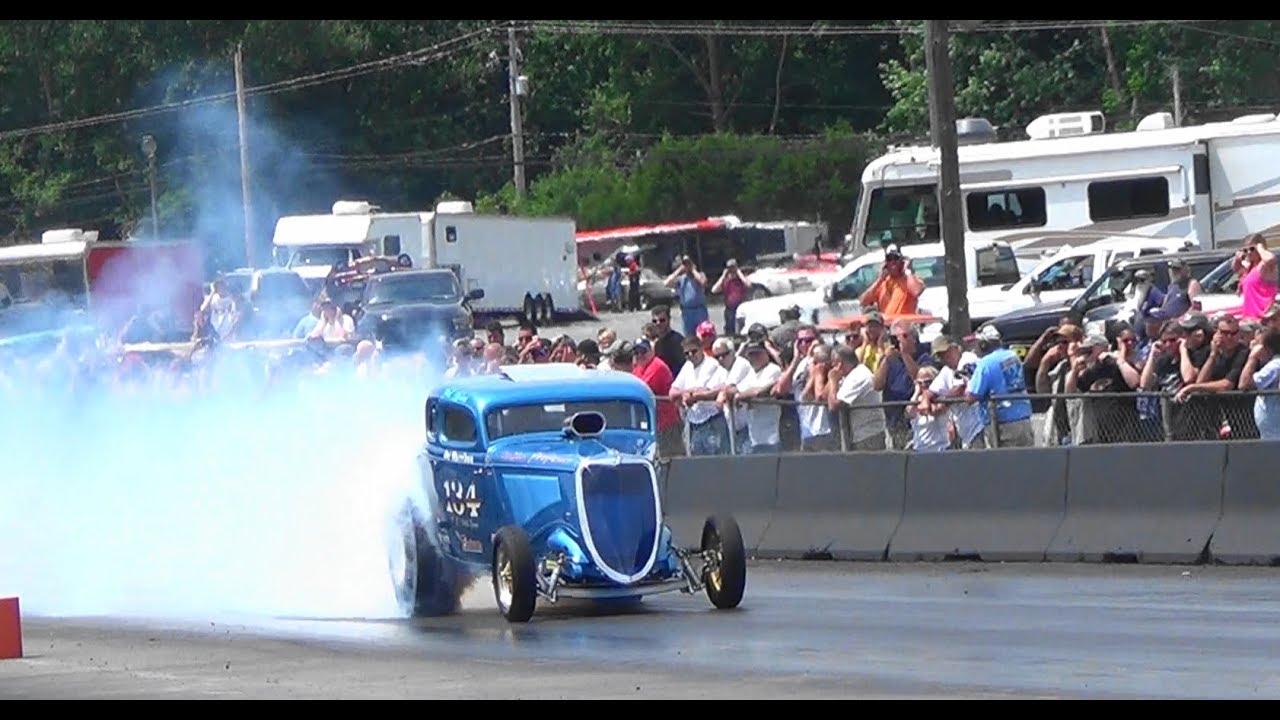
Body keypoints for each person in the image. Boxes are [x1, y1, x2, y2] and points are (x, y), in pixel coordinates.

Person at [858, 244, 925, 316]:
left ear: (901, 261)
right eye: (889, 259)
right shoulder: (882, 283)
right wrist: (879, 280)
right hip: (886, 325)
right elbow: (863, 301)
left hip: (904, 325)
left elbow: (916, 291)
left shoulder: (909, 280)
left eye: (896, 258)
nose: (893, 262)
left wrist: (907, 270)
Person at [1235, 234, 1279, 320]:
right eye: (1245, 250)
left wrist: (1259, 247)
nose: (1249, 252)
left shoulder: (1265, 266)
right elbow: (1235, 268)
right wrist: (1238, 257)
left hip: (1264, 319)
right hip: (1249, 318)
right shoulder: (1250, 268)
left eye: (1252, 249)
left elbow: (1270, 259)